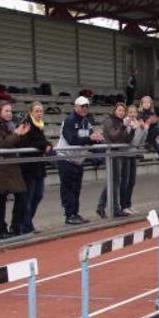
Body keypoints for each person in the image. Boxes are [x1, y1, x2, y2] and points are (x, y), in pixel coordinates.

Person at [0, 100, 31, 239]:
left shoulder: (9, 125)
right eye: (7, 111)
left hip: (11, 166)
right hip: (0, 167)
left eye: (11, 111)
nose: (10, 113)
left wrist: (22, 134)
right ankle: (1, 230)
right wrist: (16, 134)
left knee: (22, 195)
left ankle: (15, 227)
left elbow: (15, 143)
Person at [56, 96, 104, 225]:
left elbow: (91, 136)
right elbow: (71, 139)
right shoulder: (69, 120)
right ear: (75, 107)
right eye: (82, 106)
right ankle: (69, 215)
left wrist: (96, 138)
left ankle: (75, 213)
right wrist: (90, 139)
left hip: (78, 160)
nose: (84, 108)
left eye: (87, 106)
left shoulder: (86, 122)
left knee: (76, 188)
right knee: (68, 188)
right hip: (66, 159)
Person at [19, 101, 53, 234]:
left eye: (41, 111)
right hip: (29, 167)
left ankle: (28, 222)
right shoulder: (27, 124)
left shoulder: (40, 125)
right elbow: (27, 142)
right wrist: (44, 145)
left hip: (39, 166)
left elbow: (43, 140)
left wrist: (48, 144)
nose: (39, 113)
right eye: (37, 111)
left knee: (38, 195)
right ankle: (26, 226)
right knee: (28, 197)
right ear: (31, 112)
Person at [96, 103, 134, 219]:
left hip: (119, 153)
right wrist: (123, 127)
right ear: (115, 111)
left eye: (123, 111)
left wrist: (132, 129)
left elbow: (127, 139)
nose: (121, 112)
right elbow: (114, 136)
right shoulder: (110, 121)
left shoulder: (121, 122)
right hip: (112, 154)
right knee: (114, 181)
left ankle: (102, 206)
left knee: (114, 181)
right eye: (119, 110)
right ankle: (114, 208)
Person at [121, 105, 147, 214]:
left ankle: (128, 204)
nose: (132, 114)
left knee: (132, 181)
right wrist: (134, 128)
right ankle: (123, 205)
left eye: (134, 112)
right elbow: (131, 141)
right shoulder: (125, 123)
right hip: (125, 154)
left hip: (133, 154)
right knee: (125, 181)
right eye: (130, 112)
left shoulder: (137, 122)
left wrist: (143, 129)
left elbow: (141, 141)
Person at [138, 96, 159, 175]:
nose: (146, 104)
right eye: (144, 102)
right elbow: (142, 124)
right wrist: (149, 122)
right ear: (141, 104)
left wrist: (153, 122)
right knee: (157, 129)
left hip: (152, 137)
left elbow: (155, 123)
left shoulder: (152, 113)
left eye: (148, 103)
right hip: (144, 135)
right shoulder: (139, 113)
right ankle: (148, 143)